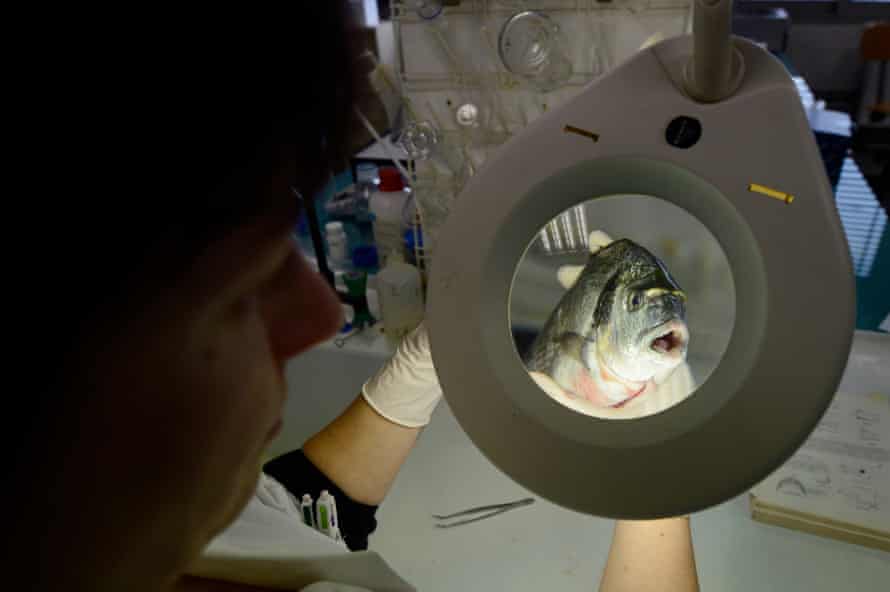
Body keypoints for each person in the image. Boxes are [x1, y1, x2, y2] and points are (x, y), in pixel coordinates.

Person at [8, 4, 700, 591]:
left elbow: (297, 511)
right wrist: (657, 481)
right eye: (234, 282)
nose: (318, 314)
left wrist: (416, 374)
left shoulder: (140, 531)